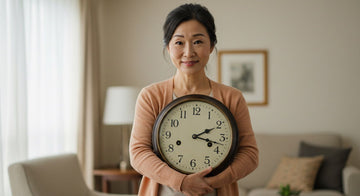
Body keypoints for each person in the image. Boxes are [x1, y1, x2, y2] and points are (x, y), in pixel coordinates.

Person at [129, 3, 258, 196]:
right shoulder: (151, 96)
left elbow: (250, 155)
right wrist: (182, 182)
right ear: (168, 46)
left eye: (198, 41)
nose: (188, 52)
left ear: (212, 45)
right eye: (179, 42)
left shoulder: (233, 98)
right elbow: (138, 153)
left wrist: (212, 182)